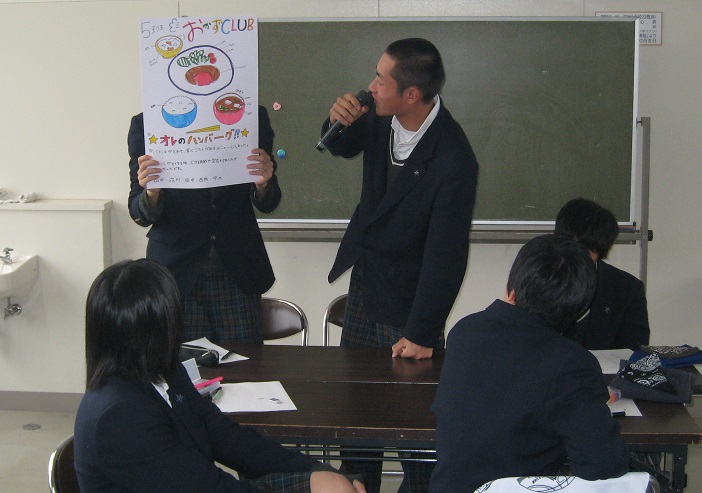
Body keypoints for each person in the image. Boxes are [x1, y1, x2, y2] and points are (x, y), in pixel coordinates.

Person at [320, 38, 478, 492]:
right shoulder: (376, 114)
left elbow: (447, 255)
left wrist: (423, 332)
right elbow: (341, 146)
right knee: (356, 425)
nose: (370, 86)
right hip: (367, 286)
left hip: (411, 306)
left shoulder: (454, 158)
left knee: (416, 437)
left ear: (411, 94)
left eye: (380, 80)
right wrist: (336, 119)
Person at [74, 259, 366, 493]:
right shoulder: (121, 416)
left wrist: (319, 472)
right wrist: (314, 486)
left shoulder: (164, 373)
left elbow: (231, 440)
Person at [429, 235, 630, 493]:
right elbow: (602, 467)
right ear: (579, 310)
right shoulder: (572, 363)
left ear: (511, 285)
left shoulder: (464, 331)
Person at [128, 106, 280, 345]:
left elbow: (269, 201)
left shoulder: (250, 115)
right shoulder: (147, 124)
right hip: (176, 274)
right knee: (180, 364)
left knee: (247, 363)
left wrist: (262, 185)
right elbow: (138, 211)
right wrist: (152, 193)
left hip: (237, 270)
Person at [554, 197, 650, 350]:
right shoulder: (538, 280)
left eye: (588, 247)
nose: (579, 253)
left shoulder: (627, 289)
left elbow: (633, 351)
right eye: (574, 245)